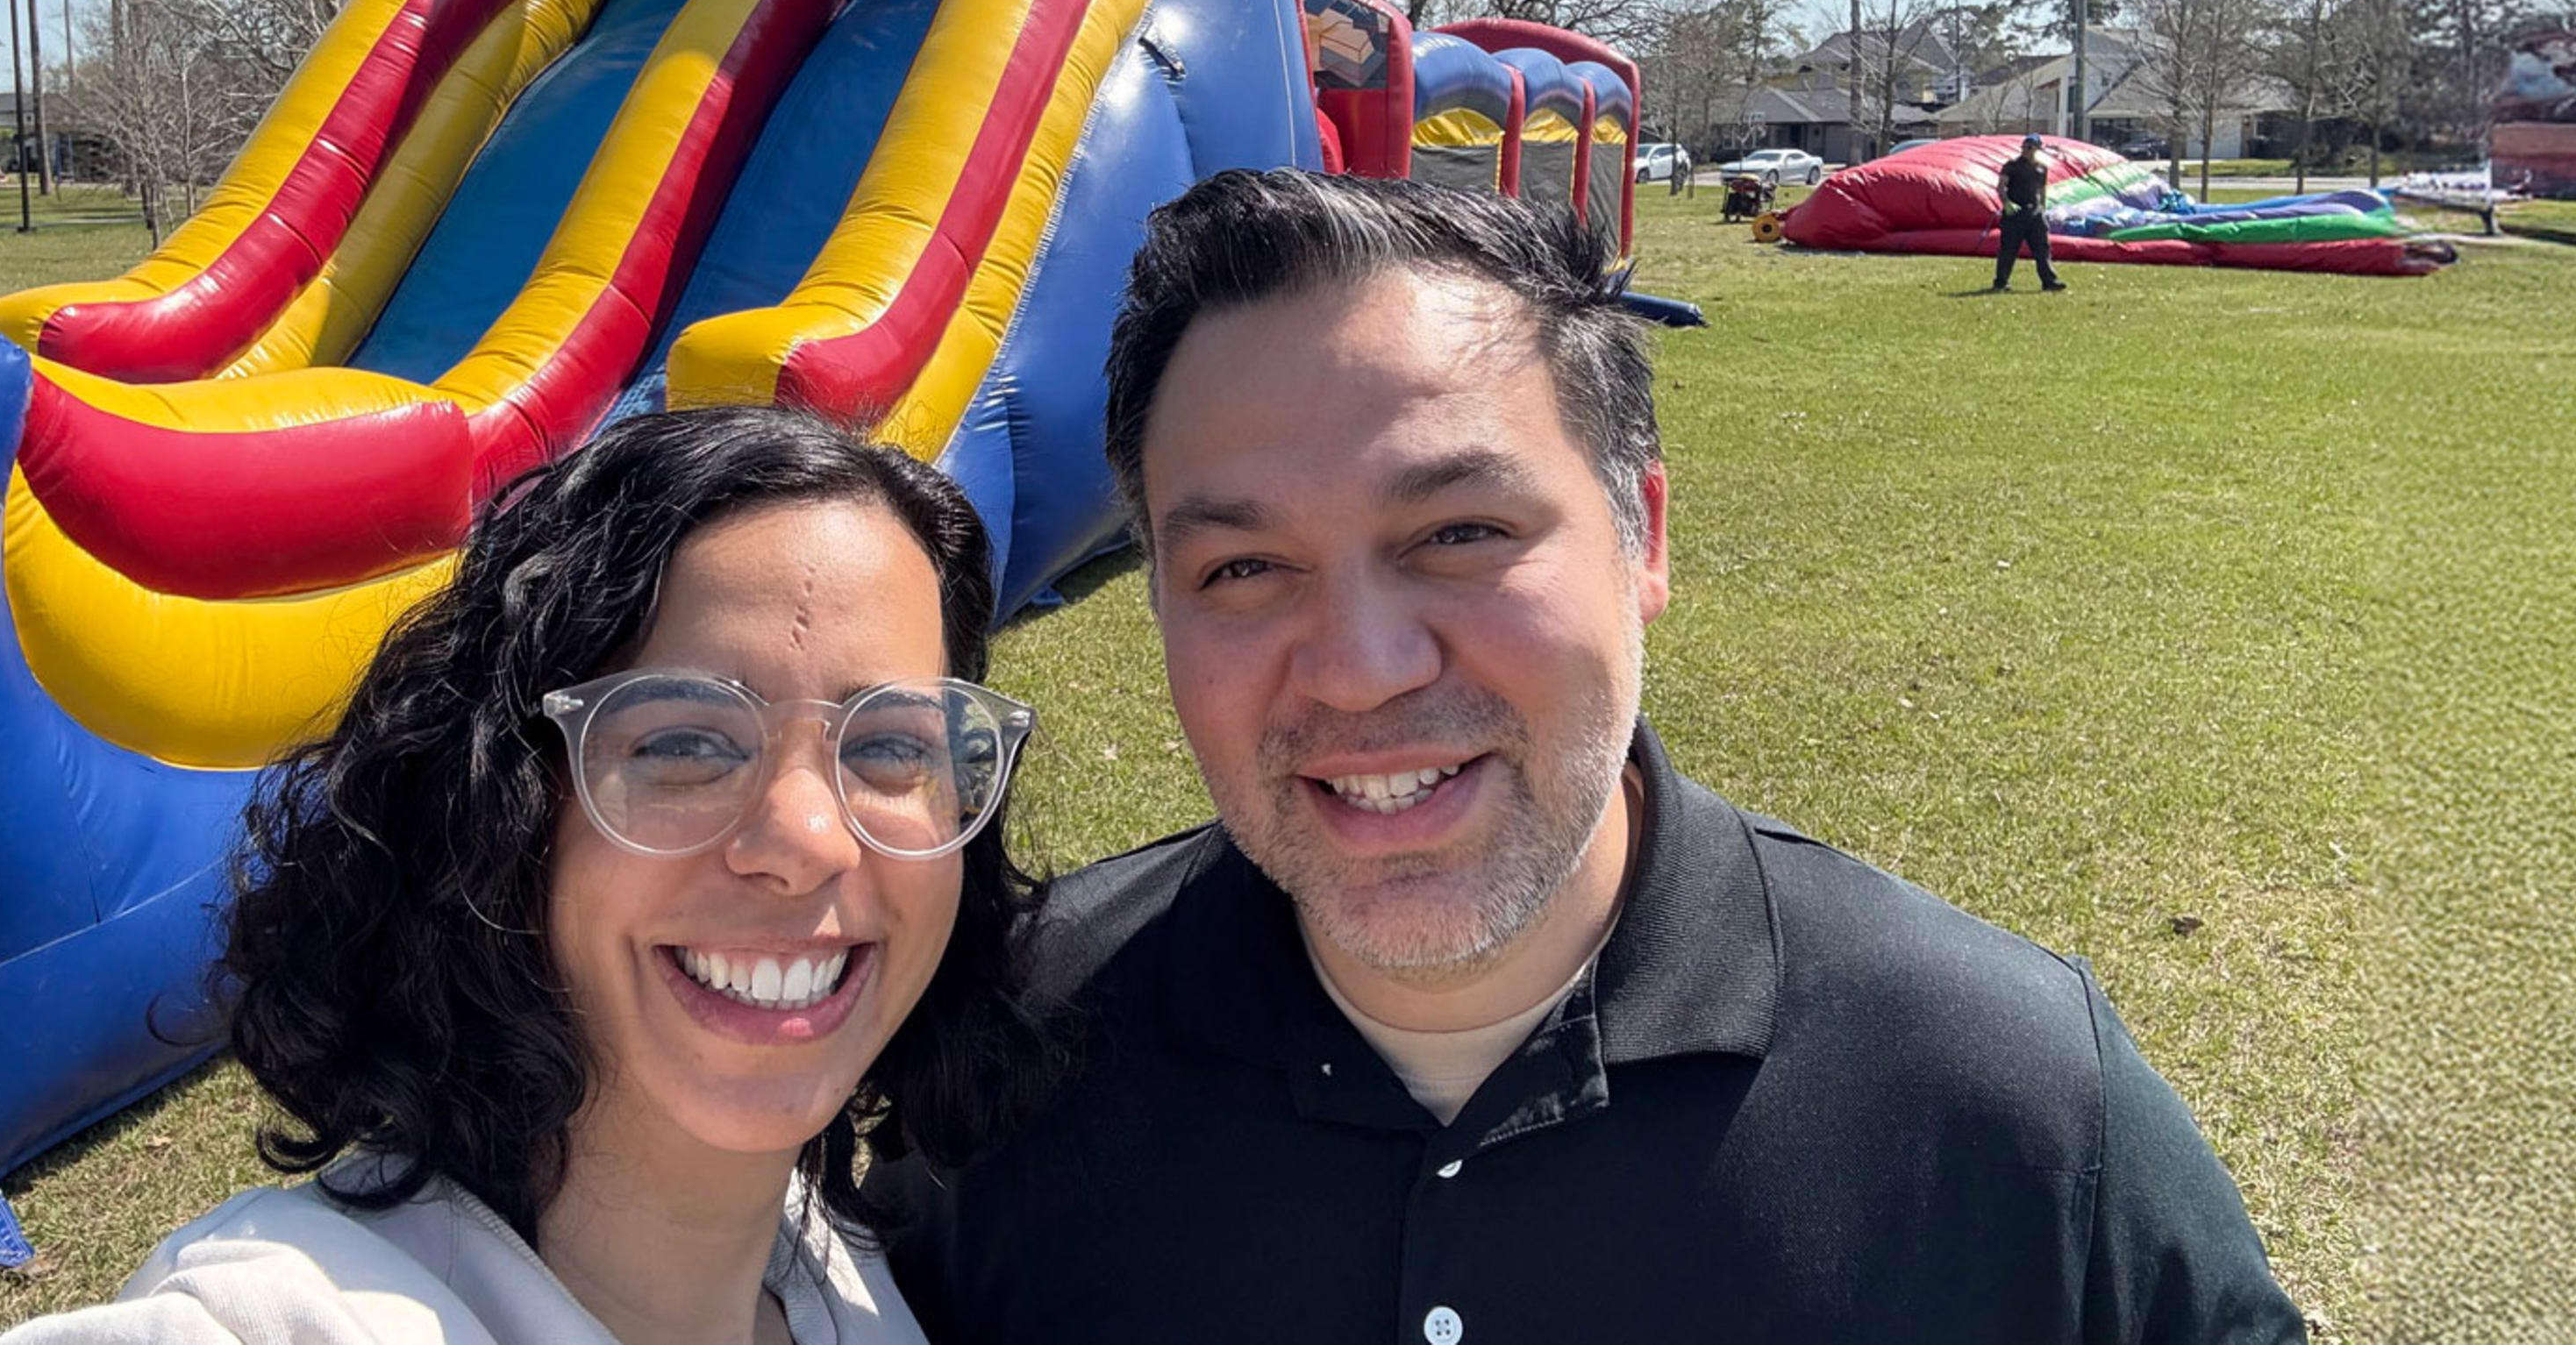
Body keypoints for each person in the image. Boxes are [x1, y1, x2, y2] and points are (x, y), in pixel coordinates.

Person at [889, 172, 2300, 1343]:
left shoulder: (2005, 1100)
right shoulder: (1000, 1064)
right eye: (1246, 565)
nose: (1362, 665)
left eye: (1458, 534)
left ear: (1647, 538)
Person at [3, 405, 1050, 1345]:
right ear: (502, 809)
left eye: (893, 746)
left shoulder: (835, 1264)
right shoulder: (291, 1315)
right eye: (684, 741)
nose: (807, 836)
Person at [1994, 131, 2068, 291]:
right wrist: (2006, 203)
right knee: (2008, 249)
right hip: (2015, 214)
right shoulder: (2012, 165)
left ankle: (2049, 281)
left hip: (2034, 214)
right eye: (2025, 147)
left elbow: (2042, 190)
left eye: (2030, 147)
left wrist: (2043, 208)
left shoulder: (2041, 168)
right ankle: (2001, 282)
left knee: (2042, 249)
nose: (2026, 150)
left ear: (2037, 149)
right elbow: (2001, 186)